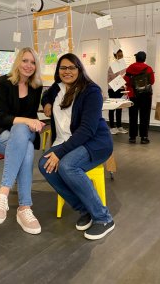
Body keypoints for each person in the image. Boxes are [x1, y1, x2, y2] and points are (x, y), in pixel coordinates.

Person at [38, 53, 115, 240]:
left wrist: (60, 153)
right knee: (44, 166)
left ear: (80, 69)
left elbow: (87, 130)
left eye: (72, 67)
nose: (67, 71)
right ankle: (85, 210)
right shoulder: (56, 88)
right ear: (58, 71)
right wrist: (47, 103)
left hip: (94, 142)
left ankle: (103, 218)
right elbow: (46, 95)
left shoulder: (91, 91)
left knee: (67, 166)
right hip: (67, 142)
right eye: (63, 68)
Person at [0, 47, 46, 235]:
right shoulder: (3, 82)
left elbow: (31, 115)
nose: (29, 65)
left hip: (22, 133)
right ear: (18, 62)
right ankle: (24, 208)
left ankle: (3, 194)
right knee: (28, 148)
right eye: (25, 61)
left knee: (22, 132)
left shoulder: (36, 86)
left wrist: (29, 123)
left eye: (33, 62)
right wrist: (26, 121)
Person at [124, 51, 155, 144]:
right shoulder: (148, 68)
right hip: (145, 95)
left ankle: (132, 137)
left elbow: (126, 80)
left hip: (133, 95)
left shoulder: (130, 68)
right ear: (144, 59)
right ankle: (144, 137)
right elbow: (152, 81)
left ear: (136, 58)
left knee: (133, 116)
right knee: (145, 116)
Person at [107, 48, 127, 135]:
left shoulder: (123, 65)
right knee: (112, 108)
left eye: (122, 55)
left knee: (119, 107)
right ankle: (112, 127)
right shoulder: (113, 66)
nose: (121, 57)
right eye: (119, 55)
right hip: (113, 89)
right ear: (115, 56)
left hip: (121, 89)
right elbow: (113, 78)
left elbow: (125, 77)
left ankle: (119, 126)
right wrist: (123, 81)